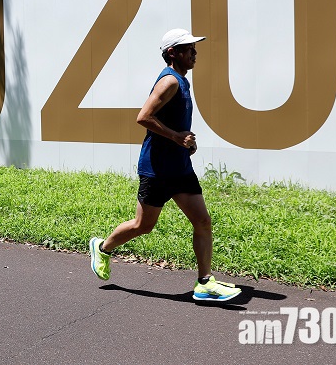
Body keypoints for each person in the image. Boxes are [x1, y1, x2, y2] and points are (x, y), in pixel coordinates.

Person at [88, 28, 241, 303]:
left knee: (203, 221)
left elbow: (175, 124)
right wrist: (176, 136)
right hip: (157, 169)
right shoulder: (169, 81)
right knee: (143, 225)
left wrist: (186, 142)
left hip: (179, 167)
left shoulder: (182, 81)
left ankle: (205, 282)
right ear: (173, 53)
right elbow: (143, 117)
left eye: (194, 48)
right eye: (189, 49)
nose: (195, 53)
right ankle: (103, 247)